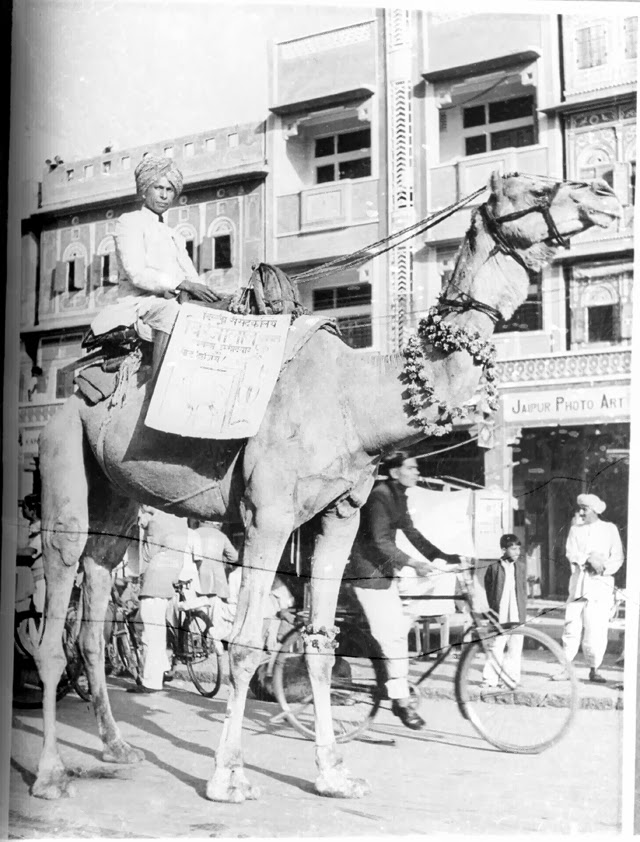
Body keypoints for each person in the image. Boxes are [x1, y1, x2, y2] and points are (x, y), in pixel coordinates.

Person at [350, 450, 460, 730]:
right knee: (394, 640)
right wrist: (413, 563)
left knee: (402, 627)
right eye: (411, 468)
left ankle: (396, 684)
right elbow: (380, 541)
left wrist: (444, 556)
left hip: (385, 576)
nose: (417, 472)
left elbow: (412, 533)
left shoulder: (398, 495)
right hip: (369, 576)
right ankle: (401, 702)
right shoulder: (380, 496)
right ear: (396, 471)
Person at [90, 154, 220, 373]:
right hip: (139, 304)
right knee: (173, 314)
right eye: (158, 188)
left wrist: (211, 294)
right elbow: (136, 272)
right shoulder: (129, 222)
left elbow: (191, 277)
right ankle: (158, 389)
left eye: (169, 190)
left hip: (174, 299)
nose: (164, 195)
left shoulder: (174, 235)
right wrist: (183, 285)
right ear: (144, 190)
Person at [552, 493, 624, 684]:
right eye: (580, 508)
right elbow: (571, 553)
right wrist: (587, 559)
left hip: (600, 585)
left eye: (585, 509)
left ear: (595, 510)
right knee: (571, 627)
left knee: (596, 628)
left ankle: (595, 669)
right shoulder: (576, 530)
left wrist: (602, 566)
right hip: (578, 585)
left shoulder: (609, 529)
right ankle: (565, 668)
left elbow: (617, 557)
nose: (581, 512)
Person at [128, 506, 189, 693]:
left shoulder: (154, 523)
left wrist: (145, 529)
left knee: (150, 634)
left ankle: (150, 682)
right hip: (169, 580)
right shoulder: (179, 520)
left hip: (154, 582)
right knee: (158, 632)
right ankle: (161, 670)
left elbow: (147, 554)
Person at [482, 534, 527, 688]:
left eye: (518, 548)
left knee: (515, 648)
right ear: (503, 549)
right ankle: (490, 680)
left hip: (517, 613)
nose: (517, 552)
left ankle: (511, 679)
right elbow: (489, 589)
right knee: (496, 646)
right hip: (499, 614)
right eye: (513, 549)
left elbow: (522, 589)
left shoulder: (520, 567)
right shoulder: (494, 568)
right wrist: (494, 609)